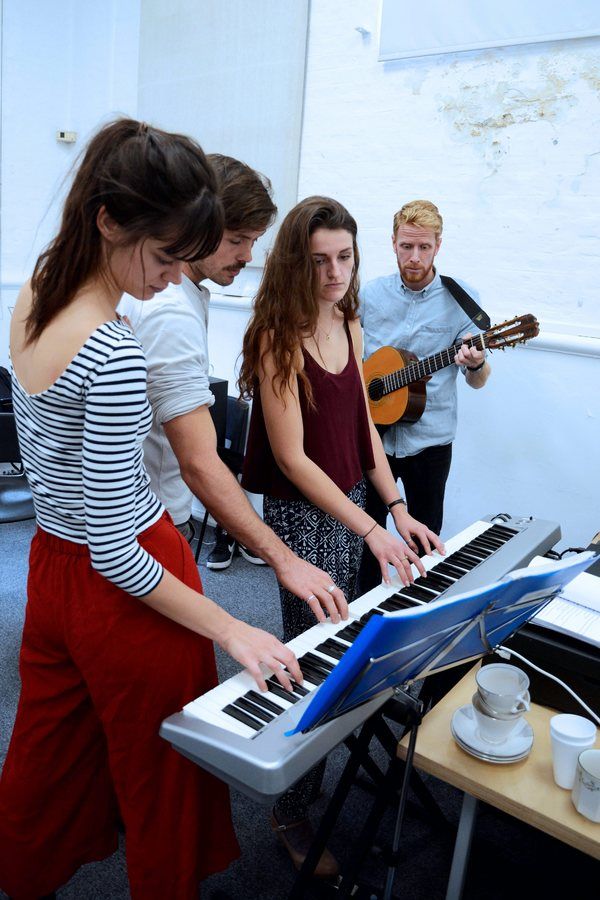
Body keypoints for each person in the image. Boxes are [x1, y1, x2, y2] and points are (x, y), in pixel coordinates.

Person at [0, 119, 305, 900]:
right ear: (108, 220)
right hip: (130, 578)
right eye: (166, 255)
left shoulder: (38, 287)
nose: (176, 276)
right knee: (165, 781)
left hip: (50, 568)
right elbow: (119, 553)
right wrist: (234, 627)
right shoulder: (110, 350)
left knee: (44, 755)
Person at [238, 196, 444, 876]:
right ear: (297, 259)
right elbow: (293, 458)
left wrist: (397, 507)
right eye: (320, 259)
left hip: (354, 498)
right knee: (315, 661)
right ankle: (292, 807)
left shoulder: (348, 316)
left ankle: (337, 761)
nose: (334, 273)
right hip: (302, 516)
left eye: (345, 258)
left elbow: (364, 427)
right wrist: (369, 527)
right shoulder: (276, 333)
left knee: (353, 640)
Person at [119, 155, 347, 614]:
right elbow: (200, 465)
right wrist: (284, 560)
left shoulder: (178, 295)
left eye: (254, 241)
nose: (247, 256)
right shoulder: (172, 312)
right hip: (153, 523)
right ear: (194, 226)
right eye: (236, 240)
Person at [356, 199, 490, 597]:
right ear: (393, 243)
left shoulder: (461, 297)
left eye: (424, 248)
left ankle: (413, 611)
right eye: (406, 247)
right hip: (373, 436)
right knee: (369, 533)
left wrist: (475, 362)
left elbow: (478, 381)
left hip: (429, 442)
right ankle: (361, 613)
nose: (414, 257)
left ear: (438, 246)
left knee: (425, 538)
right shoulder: (371, 294)